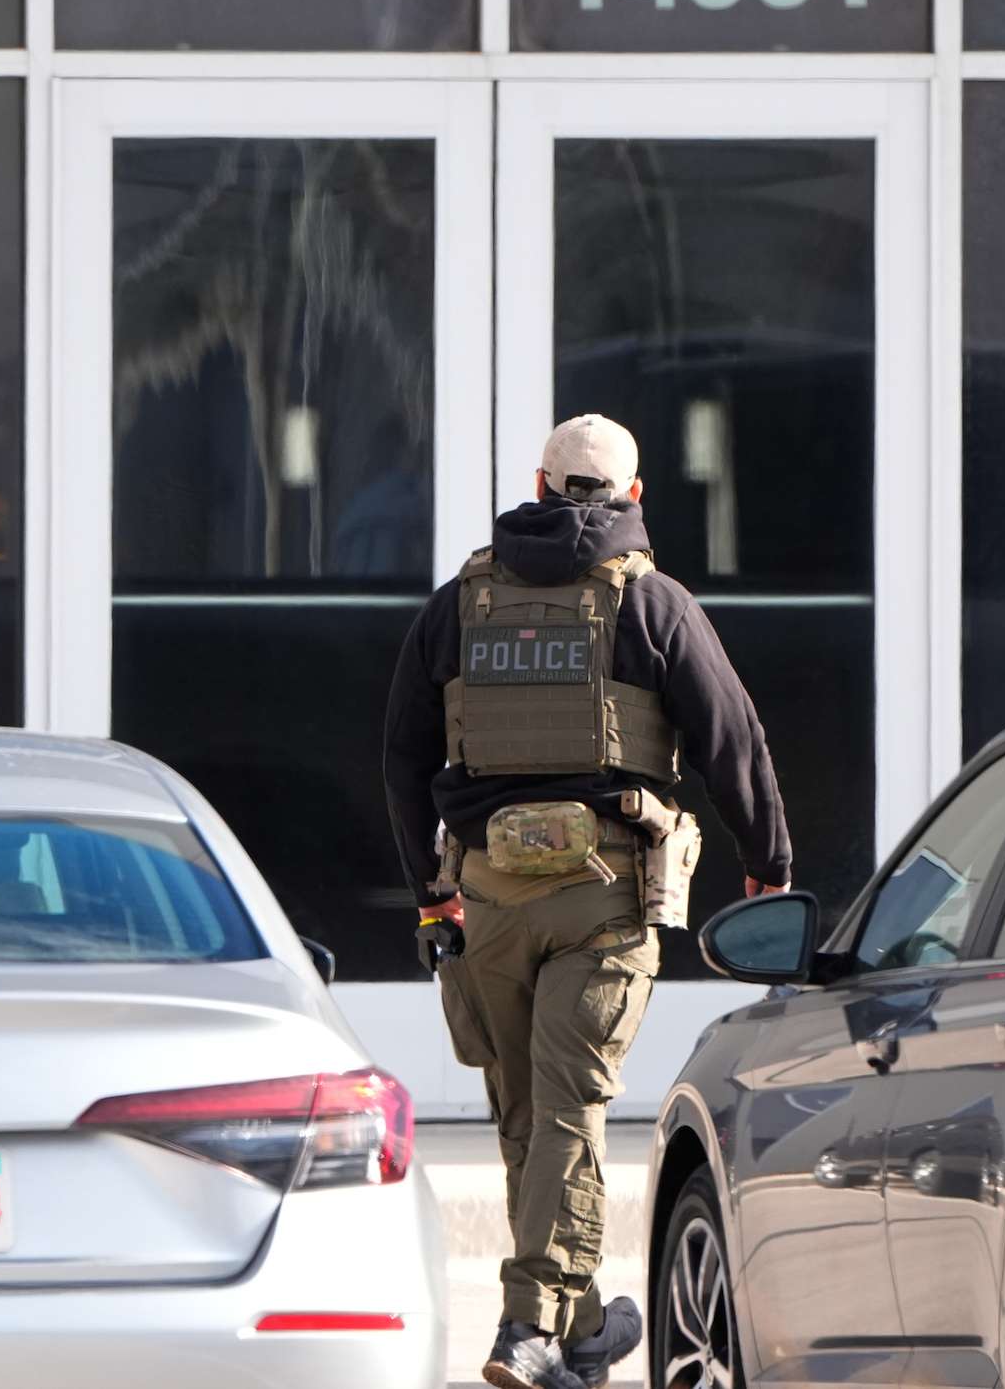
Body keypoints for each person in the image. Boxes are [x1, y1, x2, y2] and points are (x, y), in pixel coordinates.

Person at [384, 413, 792, 1389]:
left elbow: (403, 755)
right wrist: (767, 867)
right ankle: (527, 1324)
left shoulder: (458, 605)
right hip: (604, 895)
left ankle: (577, 1332)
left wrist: (431, 892)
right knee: (568, 1107)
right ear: (634, 496)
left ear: (538, 480)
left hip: (486, 894)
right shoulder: (653, 603)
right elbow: (733, 740)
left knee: (530, 1115)